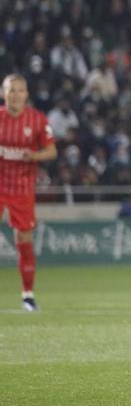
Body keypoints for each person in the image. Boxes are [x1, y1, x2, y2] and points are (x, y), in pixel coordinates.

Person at [0, 75, 57, 311]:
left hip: (22, 188)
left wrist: (34, 155)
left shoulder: (36, 119)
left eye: (20, 90)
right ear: (3, 93)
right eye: (11, 90)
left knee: (24, 240)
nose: (15, 95)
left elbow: (51, 151)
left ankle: (28, 295)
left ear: (27, 94)